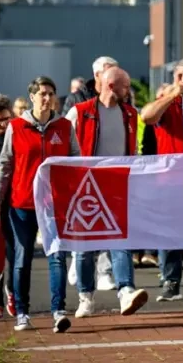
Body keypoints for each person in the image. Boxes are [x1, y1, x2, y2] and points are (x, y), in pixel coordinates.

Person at [0, 77, 79, 332]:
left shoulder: (64, 127)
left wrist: (72, 193)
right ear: (31, 97)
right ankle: (22, 312)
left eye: (51, 93)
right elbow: (6, 164)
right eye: (42, 93)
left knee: (57, 256)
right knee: (22, 258)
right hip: (22, 204)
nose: (47, 98)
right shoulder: (17, 127)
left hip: (54, 203)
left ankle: (59, 311)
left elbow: (76, 160)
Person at [66, 67, 148, 317]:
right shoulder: (80, 113)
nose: (129, 90)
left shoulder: (131, 114)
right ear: (112, 86)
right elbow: (67, 147)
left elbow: (131, 150)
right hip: (85, 187)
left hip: (117, 185)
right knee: (84, 245)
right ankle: (85, 297)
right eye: (125, 86)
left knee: (120, 240)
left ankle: (125, 291)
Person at [140, 59, 183, 302]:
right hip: (171, 177)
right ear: (179, 78)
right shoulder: (169, 100)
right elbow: (147, 117)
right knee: (170, 231)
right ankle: (171, 280)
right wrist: (172, 95)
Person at [0, 94, 13, 319]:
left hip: (13, 200)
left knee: (15, 252)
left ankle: (13, 291)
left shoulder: (13, 135)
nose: (3, 125)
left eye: (6, 119)